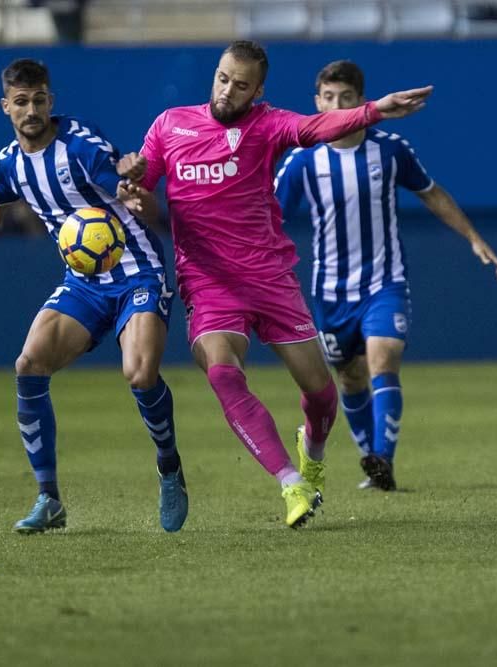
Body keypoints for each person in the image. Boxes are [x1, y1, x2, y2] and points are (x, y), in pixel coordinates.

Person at [118, 40, 432, 527]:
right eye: (223, 78)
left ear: (257, 90)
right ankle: (292, 483)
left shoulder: (267, 125)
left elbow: (315, 126)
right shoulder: (170, 124)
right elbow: (147, 193)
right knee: (222, 373)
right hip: (207, 281)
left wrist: (373, 112)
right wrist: (134, 193)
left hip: (269, 278)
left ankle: (314, 448)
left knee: (322, 393)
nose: (227, 90)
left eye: (241, 85)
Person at [0, 58, 187, 534]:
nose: (31, 110)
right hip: (84, 284)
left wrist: (128, 179)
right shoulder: (8, 164)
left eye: (39, 100)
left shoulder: (78, 144)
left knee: (139, 375)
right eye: (21, 102)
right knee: (29, 364)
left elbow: (116, 171)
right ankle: (48, 499)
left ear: (51, 101)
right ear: (5, 107)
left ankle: (169, 467)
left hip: (138, 273)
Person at [274, 60, 497, 491]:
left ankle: (382, 457)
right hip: (330, 292)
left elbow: (431, 193)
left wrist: (472, 236)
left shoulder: (391, 149)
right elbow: (268, 219)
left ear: (362, 102)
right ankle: (372, 461)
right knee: (349, 377)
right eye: (329, 98)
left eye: (346, 98)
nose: (337, 106)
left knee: (383, 358)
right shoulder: (303, 161)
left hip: (385, 281)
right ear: (316, 102)